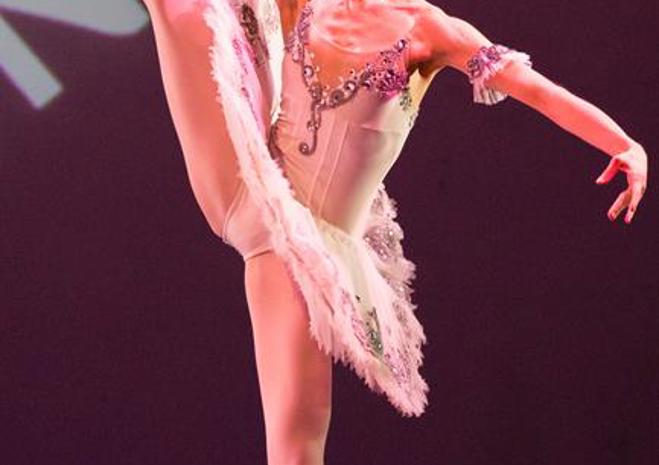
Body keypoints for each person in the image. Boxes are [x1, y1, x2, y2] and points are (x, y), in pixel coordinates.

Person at [140, 0, 648, 463]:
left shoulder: (429, 29)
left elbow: (538, 91)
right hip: (263, 199)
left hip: (314, 238)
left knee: (297, 444)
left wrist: (623, 143)